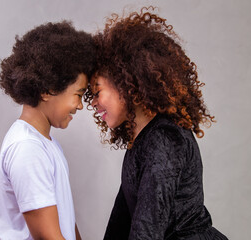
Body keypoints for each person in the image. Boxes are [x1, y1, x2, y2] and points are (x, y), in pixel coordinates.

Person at [84, 7, 228, 240]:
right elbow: (121, 219)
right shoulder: (142, 139)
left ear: (125, 83)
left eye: (97, 91)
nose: (94, 104)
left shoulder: (164, 139)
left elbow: (147, 232)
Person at [0, 21, 95, 240]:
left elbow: (64, 221)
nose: (80, 105)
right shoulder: (28, 149)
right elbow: (48, 237)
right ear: (47, 90)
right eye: (78, 94)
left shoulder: (44, 143)